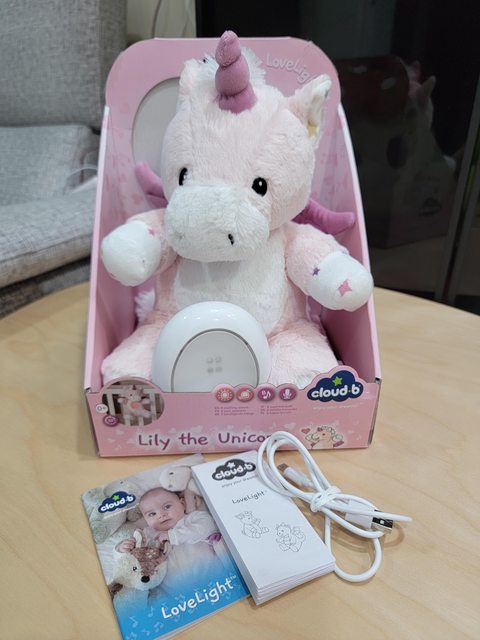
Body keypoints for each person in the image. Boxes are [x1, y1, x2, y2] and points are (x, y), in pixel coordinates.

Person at [115, 487, 224, 594]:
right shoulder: (147, 535)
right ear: (145, 519)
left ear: (182, 504)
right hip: (173, 592)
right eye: (152, 514)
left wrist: (173, 535)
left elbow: (207, 526)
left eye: (167, 507)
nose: (161, 515)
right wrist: (121, 550)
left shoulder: (192, 519)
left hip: (213, 579)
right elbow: (130, 562)